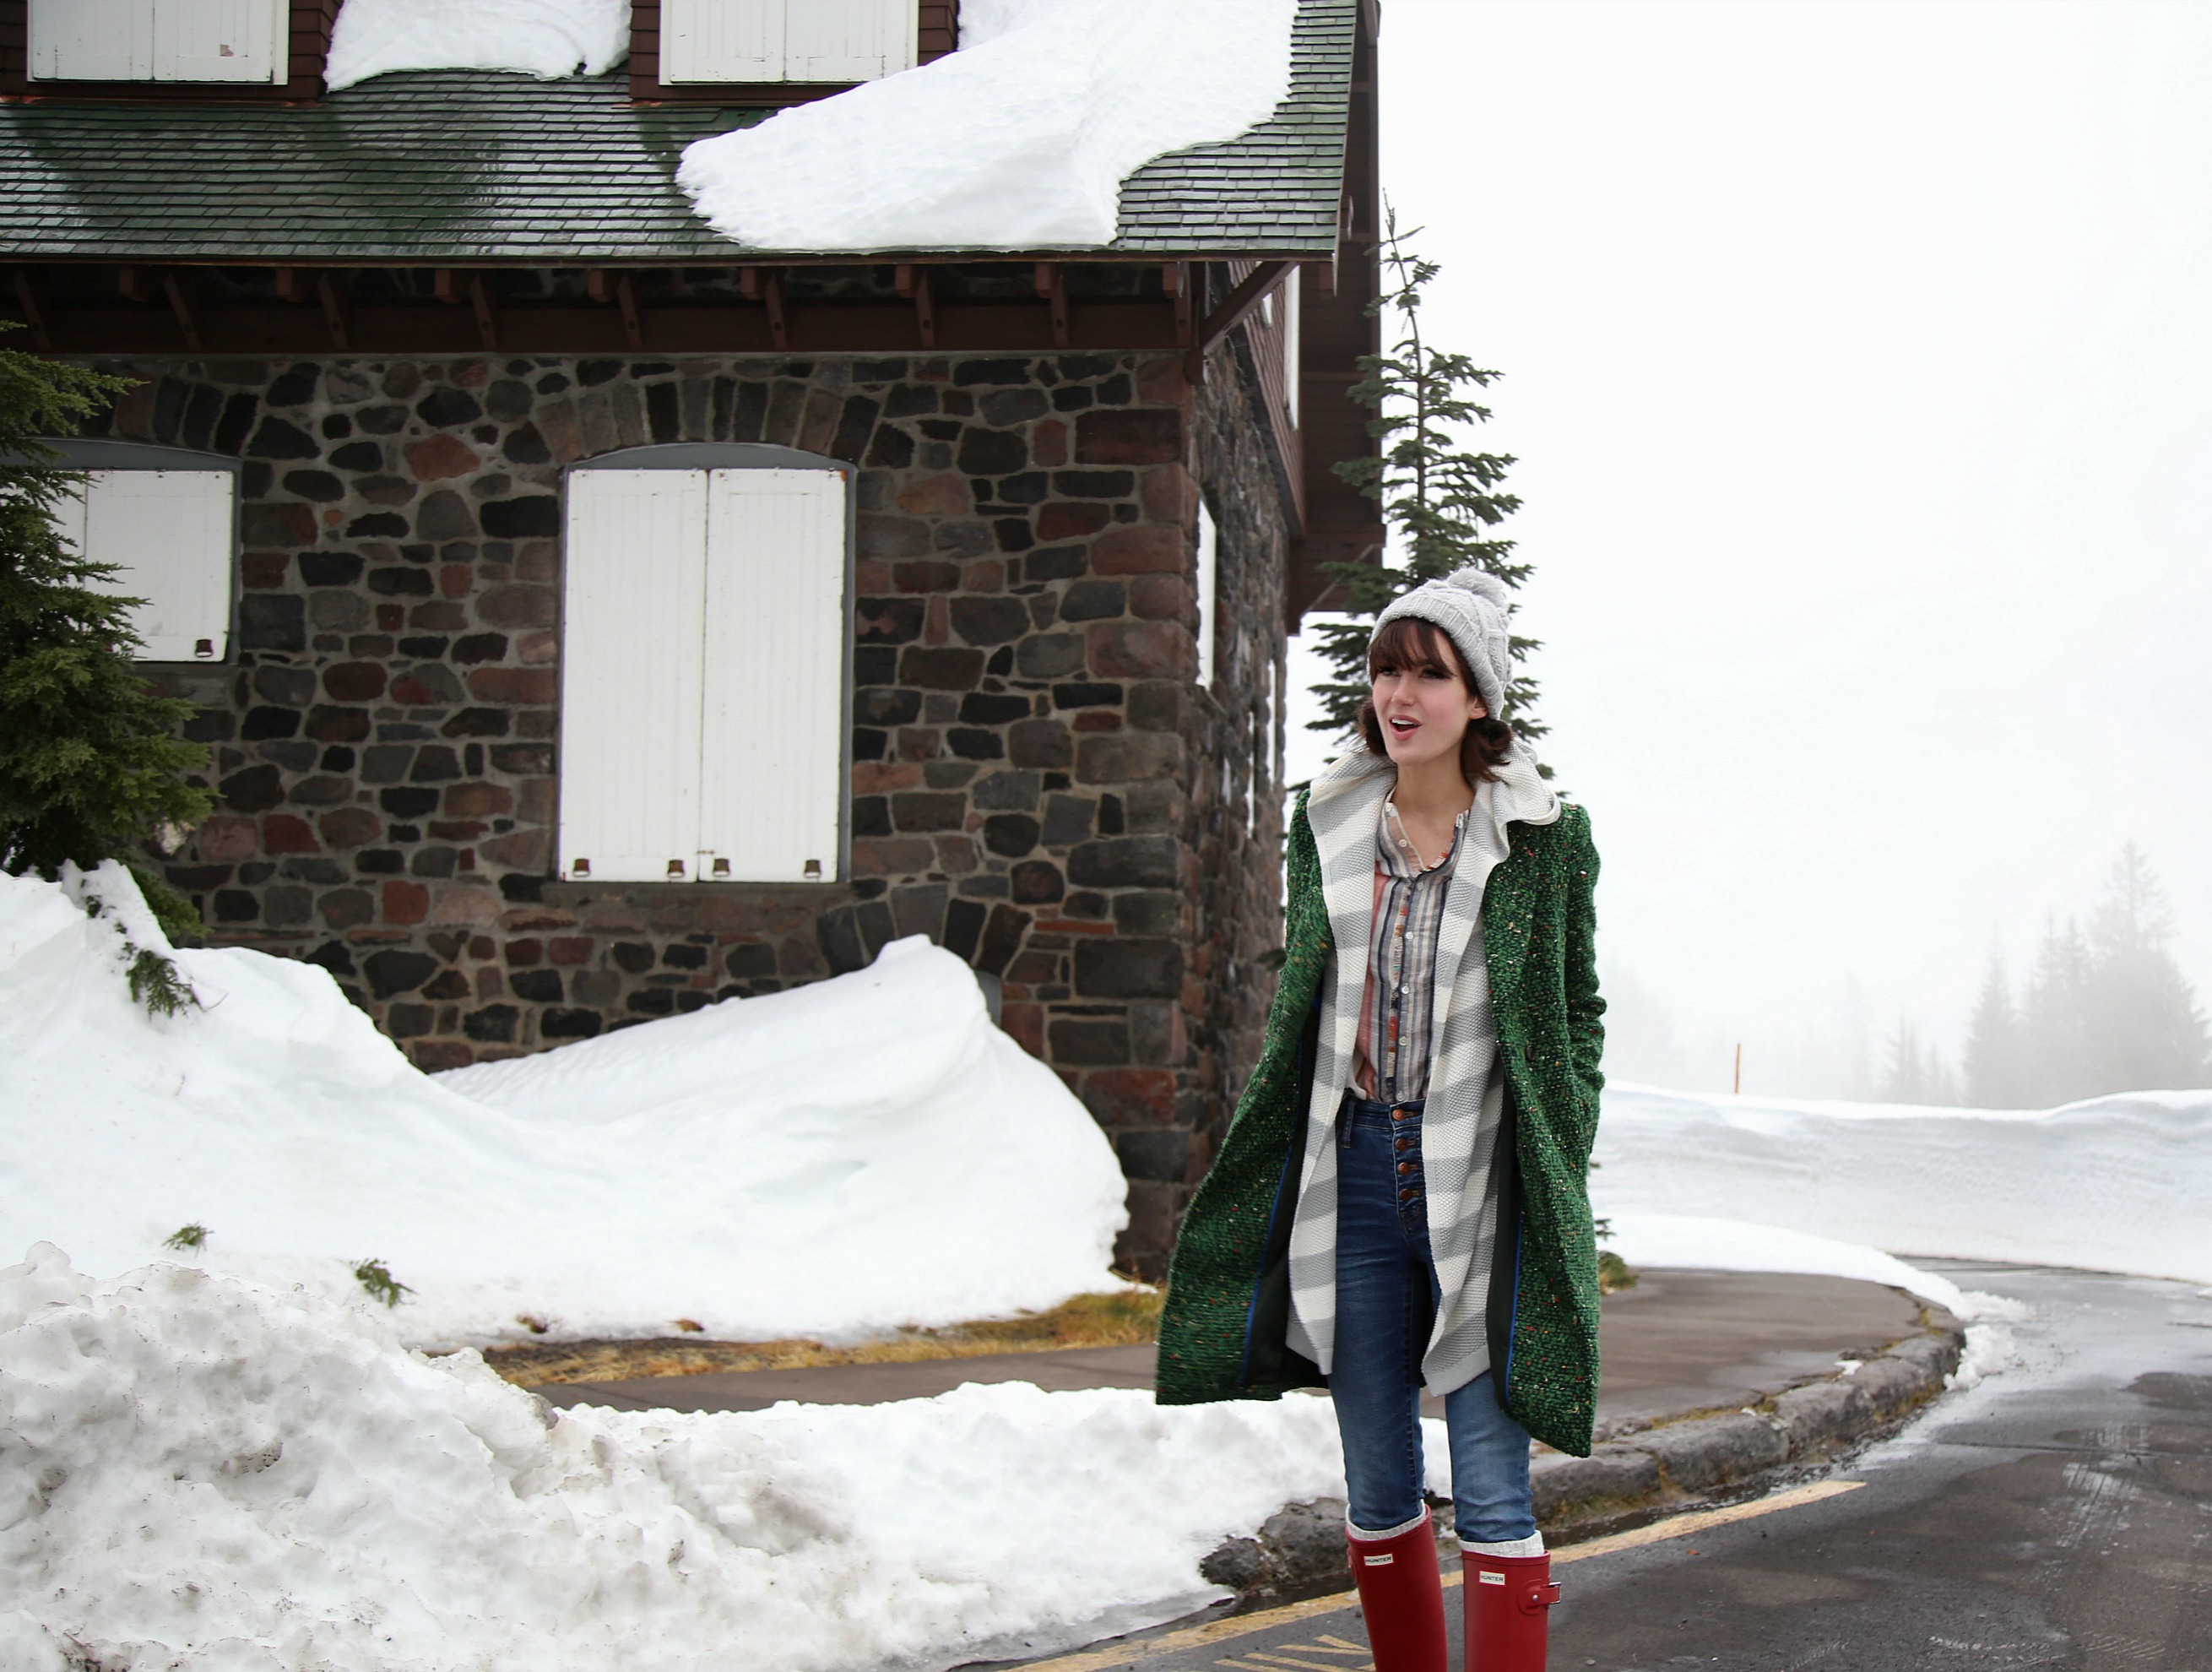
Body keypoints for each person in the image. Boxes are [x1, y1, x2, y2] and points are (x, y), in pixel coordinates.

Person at [1155, 568, 1605, 1672]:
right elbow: (1312, 993)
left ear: (1479, 699)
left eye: (1430, 672)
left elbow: (1578, 1007)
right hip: (1355, 1175)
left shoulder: (1544, 838)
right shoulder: (1333, 821)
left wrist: (1563, 1133)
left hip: (1481, 1186)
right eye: (1387, 668)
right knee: (1377, 1477)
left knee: (1495, 1483)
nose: (1401, 692)